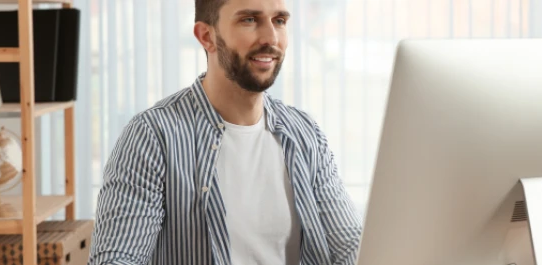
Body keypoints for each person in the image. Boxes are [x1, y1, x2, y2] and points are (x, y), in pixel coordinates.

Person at [87, 0, 363, 264]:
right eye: (249, 20)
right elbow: (117, 259)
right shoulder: (153, 137)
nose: (271, 37)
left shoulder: (305, 134)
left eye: (279, 21)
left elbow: (350, 244)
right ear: (206, 36)